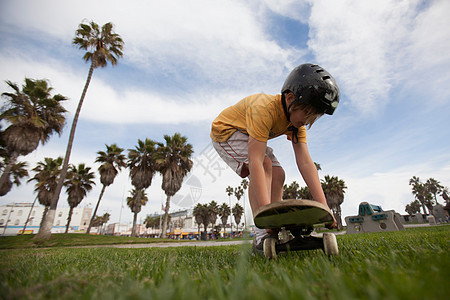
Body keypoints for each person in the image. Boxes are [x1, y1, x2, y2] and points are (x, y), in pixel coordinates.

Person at [210, 63, 340, 253]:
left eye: (314, 118)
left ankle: (274, 222)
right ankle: (262, 233)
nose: (308, 121)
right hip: (226, 131)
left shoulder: (297, 125)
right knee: (264, 164)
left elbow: (305, 162)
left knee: (278, 174)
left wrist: (325, 208)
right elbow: (255, 160)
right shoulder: (264, 109)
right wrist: (266, 216)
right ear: (290, 98)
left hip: (248, 133)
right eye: (307, 114)